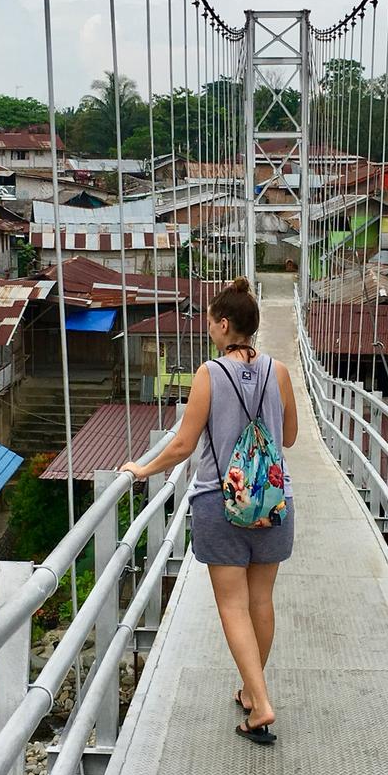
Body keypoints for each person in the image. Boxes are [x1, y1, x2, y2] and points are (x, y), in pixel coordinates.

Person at [121, 277, 297, 747]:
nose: (208, 331)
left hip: (220, 503)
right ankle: (250, 690)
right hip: (274, 500)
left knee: (232, 604)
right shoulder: (279, 371)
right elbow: (292, 437)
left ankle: (260, 704)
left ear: (224, 325)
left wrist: (143, 468)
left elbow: (182, 444)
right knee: (260, 601)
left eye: (211, 323)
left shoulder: (209, 374)